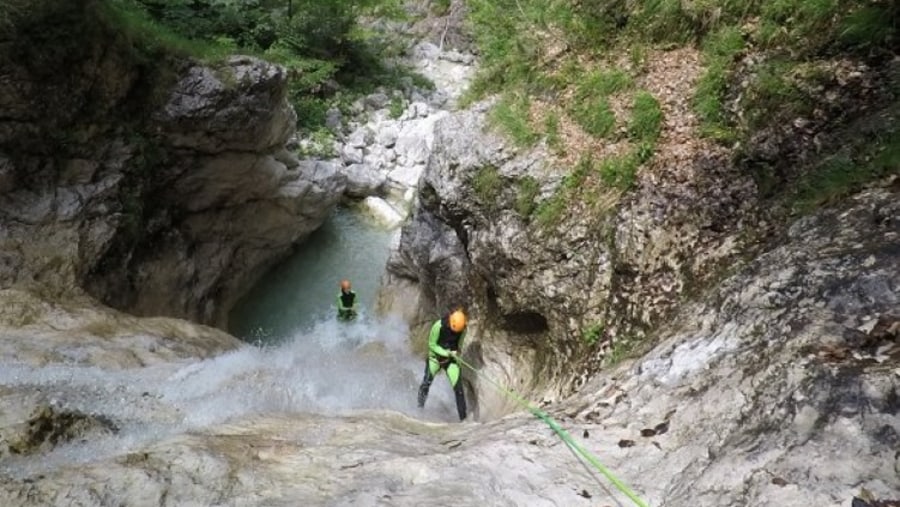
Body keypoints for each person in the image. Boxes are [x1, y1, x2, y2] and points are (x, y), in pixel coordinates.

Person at [417, 309, 467, 421]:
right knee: (426, 383)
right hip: (435, 359)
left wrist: (457, 353)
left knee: (459, 390)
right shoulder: (438, 326)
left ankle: (464, 420)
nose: (456, 333)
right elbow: (432, 345)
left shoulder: (462, 328)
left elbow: (460, 344)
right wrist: (445, 352)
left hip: (451, 360)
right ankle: (419, 409)